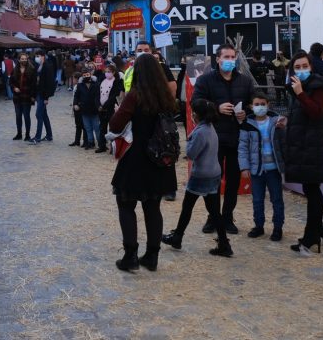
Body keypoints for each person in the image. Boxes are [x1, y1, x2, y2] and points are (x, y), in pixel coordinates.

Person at [109, 54, 179, 272]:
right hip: (159, 158)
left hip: (136, 158)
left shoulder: (135, 95)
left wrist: (119, 111)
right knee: (153, 207)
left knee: (126, 204)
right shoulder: (166, 96)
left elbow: (115, 125)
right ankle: (152, 255)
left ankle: (130, 255)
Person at [191, 44, 254, 235]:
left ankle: (227, 216)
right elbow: (196, 102)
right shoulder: (205, 80)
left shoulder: (245, 81)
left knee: (233, 180)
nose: (230, 61)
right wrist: (216, 108)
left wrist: (246, 112)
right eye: (226, 57)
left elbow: (254, 102)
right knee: (212, 180)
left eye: (233, 57)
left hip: (237, 136)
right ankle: (213, 217)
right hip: (213, 137)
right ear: (217, 59)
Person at [161, 98, 232, 258]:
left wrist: (189, 140)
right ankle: (223, 243)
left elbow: (191, 154)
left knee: (188, 207)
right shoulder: (210, 127)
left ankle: (177, 237)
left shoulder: (200, 132)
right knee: (214, 211)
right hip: (213, 172)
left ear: (196, 114)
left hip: (201, 175)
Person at [283, 49, 323, 256]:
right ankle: (317, 229)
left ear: (311, 67)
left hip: (313, 146)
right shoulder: (296, 88)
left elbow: (316, 112)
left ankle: (311, 235)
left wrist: (301, 93)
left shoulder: (318, 87)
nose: (301, 70)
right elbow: (301, 114)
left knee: (313, 190)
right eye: (297, 67)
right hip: (302, 145)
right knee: (309, 188)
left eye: (305, 66)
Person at [239, 92, 286, 242]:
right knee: (257, 199)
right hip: (256, 169)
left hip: (273, 169)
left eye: (263, 104)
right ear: (251, 106)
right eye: (257, 104)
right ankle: (259, 226)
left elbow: (284, 142)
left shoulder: (276, 122)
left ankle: (278, 228)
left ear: (268, 105)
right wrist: (244, 167)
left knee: (277, 199)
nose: (260, 107)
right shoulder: (247, 125)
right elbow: (243, 148)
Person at [97, 64, 124, 154]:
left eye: (109, 72)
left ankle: (113, 147)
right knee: (102, 128)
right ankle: (102, 146)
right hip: (101, 108)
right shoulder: (101, 81)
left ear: (113, 72)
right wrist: (98, 105)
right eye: (106, 72)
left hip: (111, 108)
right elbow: (97, 94)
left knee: (112, 128)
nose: (107, 73)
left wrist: (104, 106)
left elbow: (114, 96)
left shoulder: (117, 82)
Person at [31, 49, 56, 144]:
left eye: (38, 56)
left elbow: (49, 83)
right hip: (38, 93)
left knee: (39, 114)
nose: (36, 58)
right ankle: (49, 135)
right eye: (36, 56)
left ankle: (37, 137)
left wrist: (46, 97)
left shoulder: (48, 66)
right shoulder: (38, 65)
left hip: (43, 94)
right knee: (44, 115)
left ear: (43, 56)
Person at [10, 52, 37, 141]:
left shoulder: (31, 70)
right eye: (22, 59)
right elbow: (11, 82)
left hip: (27, 97)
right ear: (19, 60)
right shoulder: (15, 70)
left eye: (25, 59)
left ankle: (27, 135)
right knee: (18, 116)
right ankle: (19, 134)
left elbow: (34, 84)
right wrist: (14, 88)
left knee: (26, 116)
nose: (24, 60)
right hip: (17, 97)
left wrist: (33, 96)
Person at [72, 66, 100, 150]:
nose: (86, 76)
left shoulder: (96, 84)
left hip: (94, 109)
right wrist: (75, 104)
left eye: (87, 74)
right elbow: (76, 96)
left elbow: (98, 96)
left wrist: (99, 106)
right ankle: (90, 142)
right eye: (84, 75)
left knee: (96, 127)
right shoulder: (80, 85)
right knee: (88, 128)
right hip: (84, 109)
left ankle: (100, 143)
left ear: (90, 74)